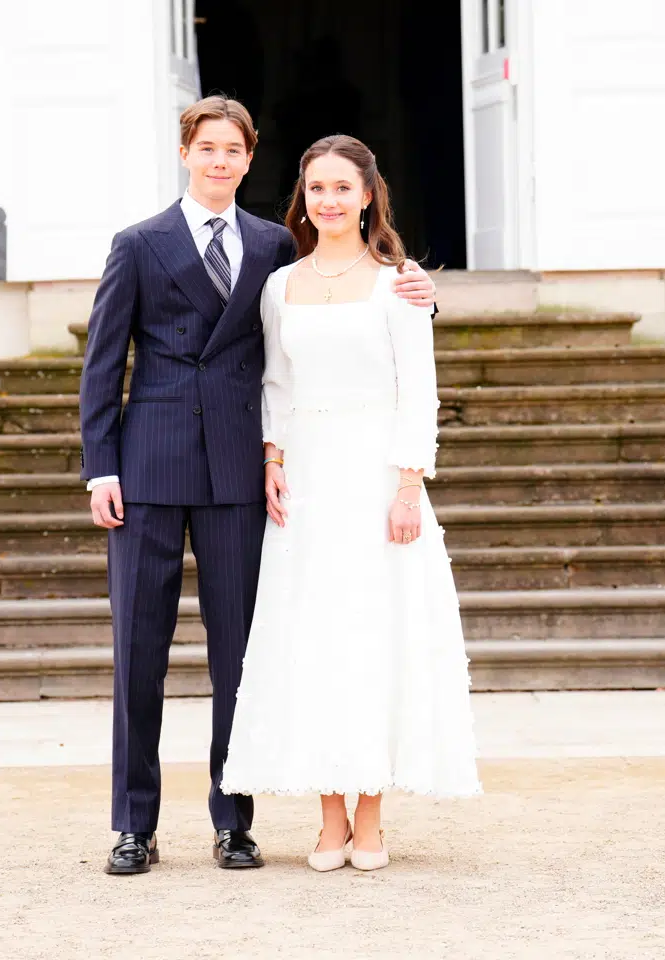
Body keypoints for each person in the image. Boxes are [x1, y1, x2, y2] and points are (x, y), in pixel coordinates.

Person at [78, 97, 437, 875]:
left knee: (239, 655)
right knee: (139, 651)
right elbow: (103, 364)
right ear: (185, 153)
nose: (218, 161)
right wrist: (99, 466)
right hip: (148, 468)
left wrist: (427, 295)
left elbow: (342, 293)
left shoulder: (276, 246)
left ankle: (232, 821)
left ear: (248, 160)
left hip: (242, 471)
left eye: (232, 151)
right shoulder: (138, 244)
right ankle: (133, 825)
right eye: (205, 147)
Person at [219, 135, 481, 873]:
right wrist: (272, 458)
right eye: (317, 188)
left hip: (374, 477)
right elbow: (275, 382)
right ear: (303, 197)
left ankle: (370, 816)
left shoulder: (398, 282)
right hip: (307, 482)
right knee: (315, 642)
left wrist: (408, 485)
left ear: (369, 195)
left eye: (343, 187)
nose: (329, 201)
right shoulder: (280, 286)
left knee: (373, 638)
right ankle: (327, 818)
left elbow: (416, 390)